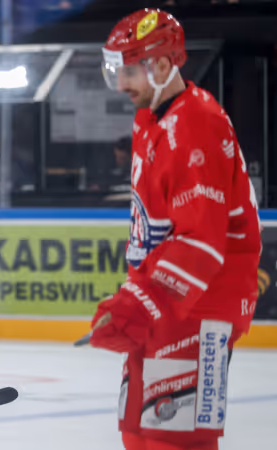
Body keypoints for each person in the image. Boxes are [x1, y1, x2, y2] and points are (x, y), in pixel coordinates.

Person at [92, 9, 261, 450]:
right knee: (136, 433)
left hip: (201, 305)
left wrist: (139, 303)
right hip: (162, 302)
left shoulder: (196, 123)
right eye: (116, 71)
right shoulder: (150, 120)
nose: (121, 84)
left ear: (164, 64)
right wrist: (137, 296)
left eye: (130, 71)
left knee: (173, 439)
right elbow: (157, 227)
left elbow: (201, 240)